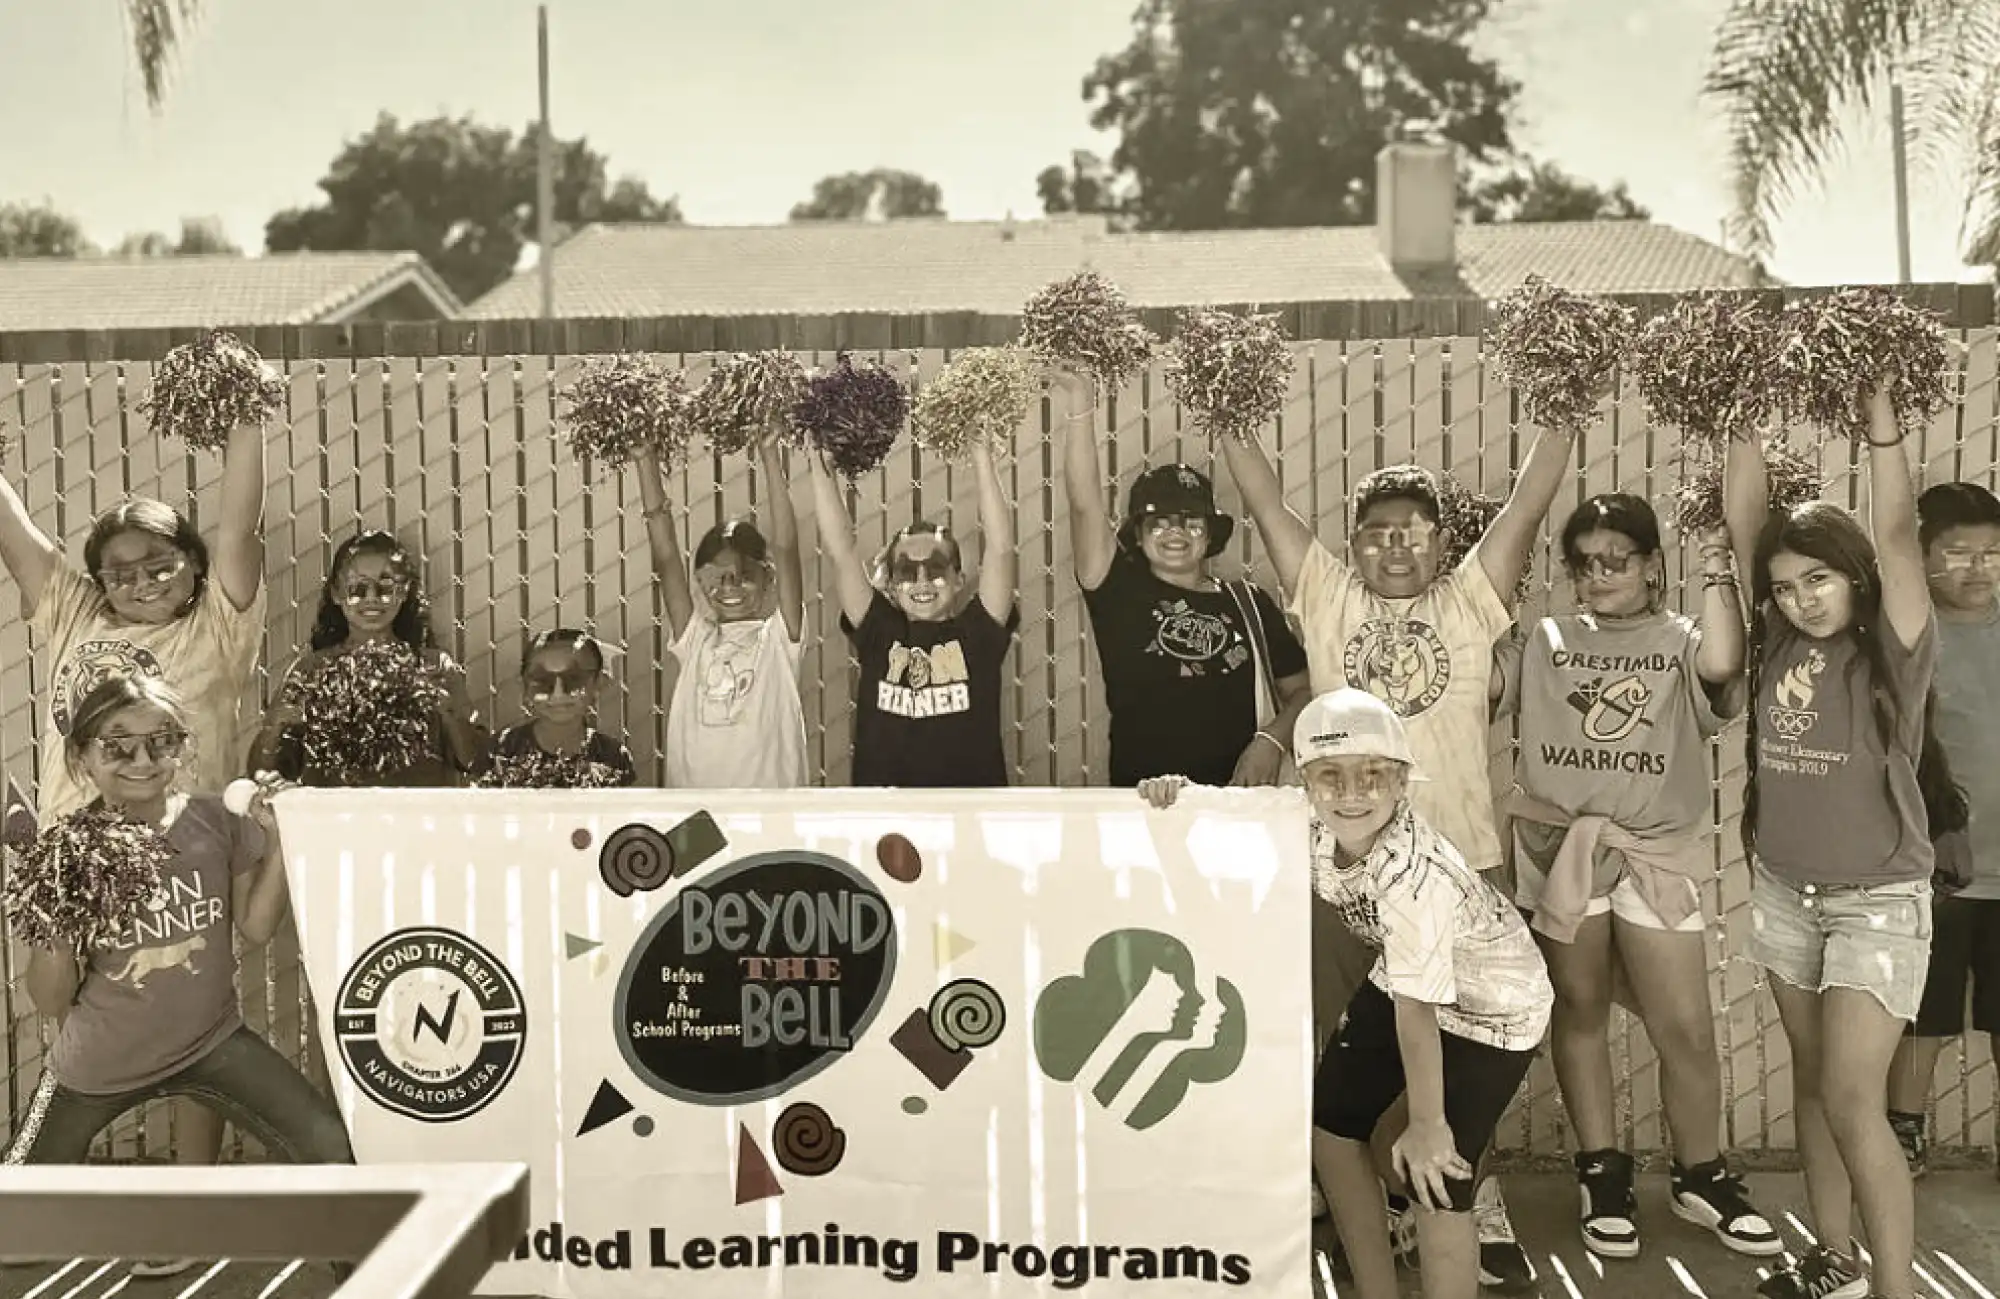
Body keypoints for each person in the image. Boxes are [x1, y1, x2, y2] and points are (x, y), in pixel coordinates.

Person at [1218, 412, 1580, 1291]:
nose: (1393, 549)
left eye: (1412, 534)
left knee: (1451, 1079)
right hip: (1348, 869)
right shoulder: (1329, 597)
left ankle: (1454, 1200)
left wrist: (1565, 406)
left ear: (1440, 543)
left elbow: (1531, 503)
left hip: (1458, 872)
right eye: (1375, 535)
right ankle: (1367, 1222)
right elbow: (1263, 499)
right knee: (1349, 1063)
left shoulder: (1468, 600)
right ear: (1352, 546)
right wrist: (1224, 408)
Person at [1139, 688, 1552, 1299]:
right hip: (1408, 978)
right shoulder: (1300, 818)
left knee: (1434, 1174)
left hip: (1494, 1009)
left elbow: (1418, 1017)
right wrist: (1176, 794)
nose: (1352, 793)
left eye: (1373, 776)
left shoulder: (1416, 876)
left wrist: (1429, 1123)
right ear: (1303, 780)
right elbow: (1227, 812)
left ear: (1404, 781)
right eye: (1330, 776)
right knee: (1331, 1129)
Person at [0, 422, 269, 1272]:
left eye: (160, 565)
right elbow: (18, 536)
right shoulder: (75, 609)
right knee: (68, 1018)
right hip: (79, 858)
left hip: (181, 854)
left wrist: (246, 427)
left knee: (195, 1029)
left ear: (192, 567)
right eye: (120, 569)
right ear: (97, 578)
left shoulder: (215, 626)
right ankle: (49, 1200)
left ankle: (185, 1213)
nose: (141, 581)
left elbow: (237, 528)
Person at [1494, 487, 1777, 1259]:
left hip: (1653, 852)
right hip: (1564, 853)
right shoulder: (1546, 637)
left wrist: (1717, 562)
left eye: (1617, 558)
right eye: (1583, 564)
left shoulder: (1683, 636)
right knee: (1580, 1010)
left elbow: (1724, 663)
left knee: (1682, 1024)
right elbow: (1483, 689)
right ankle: (1602, 1169)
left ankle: (1700, 1172)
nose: (1599, 574)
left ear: (1653, 565)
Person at [1729, 383, 1965, 1299]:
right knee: (1818, 1085)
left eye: (1817, 579)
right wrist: (1737, 404)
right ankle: (1833, 1257)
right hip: (1788, 893)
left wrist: (1881, 426)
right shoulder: (1776, 642)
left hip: (1876, 905)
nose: (1799, 598)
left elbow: (1901, 534)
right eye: (1784, 587)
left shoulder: (1895, 649)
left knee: (1857, 1101)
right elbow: (1749, 515)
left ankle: (1896, 1289)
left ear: (1856, 576)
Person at [4, 678, 355, 1263]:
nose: (142, 760)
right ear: (81, 758)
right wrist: (54, 922)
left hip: (210, 1042)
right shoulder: (73, 847)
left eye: (161, 740)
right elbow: (50, 998)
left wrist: (279, 839)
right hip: (98, 1065)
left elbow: (257, 928)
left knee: (329, 1146)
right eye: (117, 746)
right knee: (13, 1240)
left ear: (182, 746)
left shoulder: (215, 821)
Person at [1055, 384, 1310, 786]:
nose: (1175, 532)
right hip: (1148, 806)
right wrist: (1080, 408)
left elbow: (1302, 692)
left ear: (1210, 536)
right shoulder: (1116, 589)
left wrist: (1270, 742)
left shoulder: (1249, 603)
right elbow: (1084, 503)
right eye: (1159, 521)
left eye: (1191, 520)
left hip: (1240, 804)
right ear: (1137, 534)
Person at [1885, 481, 2000, 1176]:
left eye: (1991, 552)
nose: (1977, 567)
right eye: (1957, 552)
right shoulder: (1910, 638)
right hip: (1939, 868)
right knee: (1922, 1017)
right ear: (1921, 555)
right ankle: (1904, 1132)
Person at [807, 441, 1019, 787]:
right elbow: (841, 551)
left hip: (967, 815)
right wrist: (818, 466)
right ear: (890, 583)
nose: (922, 581)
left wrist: (981, 457)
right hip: (888, 818)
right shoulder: (878, 631)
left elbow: (1000, 548)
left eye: (935, 567)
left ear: (959, 579)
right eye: (906, 571)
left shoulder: (979, 633)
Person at [248, 530, 487, 786]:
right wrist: (277, 726)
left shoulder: (434, 666)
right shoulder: (310, 671)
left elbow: (477, 764)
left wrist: (450, 714)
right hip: (337, 820)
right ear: (337, 595)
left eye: (385, 586)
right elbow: (260, 771)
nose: (371, 597)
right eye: (357, 588)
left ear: (404, 591)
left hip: (417, 819)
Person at [632, 441, 808, 788]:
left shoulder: (778, 640)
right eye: (716, 576)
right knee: (690, 847)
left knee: (768, 848)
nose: (731, 587)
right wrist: (644, 461)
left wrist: (771, 454)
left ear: (768, 579)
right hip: (696, 814)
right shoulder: (694, 639)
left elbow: (787, 550)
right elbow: (666, 560)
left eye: (745, 576)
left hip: (768, 813)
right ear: (700, 581)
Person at [478, 629, 638, 787]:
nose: (558, 694)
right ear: (524, 686)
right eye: (542, 680)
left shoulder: (612, 755)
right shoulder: (504, 749)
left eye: (574, 679)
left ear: (598, 683)